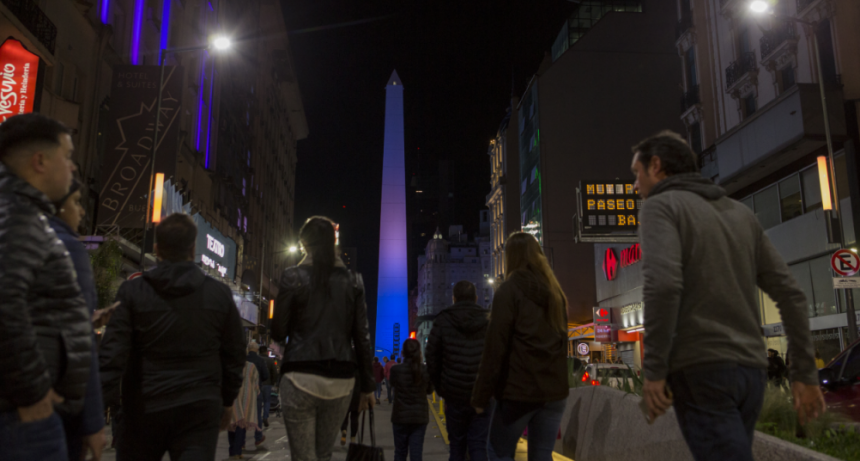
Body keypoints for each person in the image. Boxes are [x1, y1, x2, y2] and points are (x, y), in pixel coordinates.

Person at [632, 131, 825, 461]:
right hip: (751, 373)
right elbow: (791, 294)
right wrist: (804, 374)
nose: (635, 187)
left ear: (656, 165)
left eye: (636, 174)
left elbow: (663, 287)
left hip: (701, 369)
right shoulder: (740, 213)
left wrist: (654, 371)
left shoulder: (660, 207)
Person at [99, 213, 247, 460]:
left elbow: (111, 356)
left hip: (144, 408)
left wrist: (95, 415)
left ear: (156, 249)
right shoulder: (219, 295)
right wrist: (227, 400)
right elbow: (234, 354)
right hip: (198, 410)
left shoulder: (133, 292)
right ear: (193, 249)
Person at [0, 113, 91, 461]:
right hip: (22, 418)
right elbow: (4, 300)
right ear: (39, 161)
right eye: (66, 157)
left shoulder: (24, 213)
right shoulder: (17, 217)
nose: (72, 169)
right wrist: (33, 391)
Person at [271, 216, 375, 461]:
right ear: (333, 244)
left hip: (299, 376)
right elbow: (362, 338)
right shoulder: (353, 281)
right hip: (340, 380)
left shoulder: (292, 276)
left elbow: (278, 332)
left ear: (304, 244)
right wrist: (368, 387)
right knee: (324, 454)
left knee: (304, 456)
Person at [472, 232, 569, 461]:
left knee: (497, 451)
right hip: (554, 393)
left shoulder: (508, 291)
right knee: (542, 456)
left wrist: (480, 397)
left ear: (511, 258)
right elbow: (562, 345)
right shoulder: (556, 294)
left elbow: (495, 348)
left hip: (520, 391)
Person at [48, 178, 108, 460]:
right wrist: (93, 422)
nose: (82, 211)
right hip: (56, 402)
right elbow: (80, 343)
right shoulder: (69, 248)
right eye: (76, 202)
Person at [425, 280, 490, 461]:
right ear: (476, 298)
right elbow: (498, 355)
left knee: (457, 446)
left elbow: (431, 356)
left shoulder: (443, 320)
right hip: (482, 395)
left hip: (454, 395)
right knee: (479, 445)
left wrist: (441, 388)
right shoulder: (489, 320)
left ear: (453, 299)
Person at [390, 339, 433, 461]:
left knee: (399, 453)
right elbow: (429, 390)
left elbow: (392, 384)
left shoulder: (395, 370)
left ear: (402, 353)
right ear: (420, 353)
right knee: (416, 453)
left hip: (400, 417)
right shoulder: (425, 370)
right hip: (419, 417)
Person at [227, 356, 260, 460]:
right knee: (242, 423)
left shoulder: (230, 365)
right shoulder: (251, 366)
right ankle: (237, 451)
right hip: (247, 398)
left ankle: (232, 450)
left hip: (232, 395)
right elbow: (256, 383)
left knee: (232, 422)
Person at [246, 340, 270, 448]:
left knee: (243, 415)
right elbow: (265, 375)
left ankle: (241, 442)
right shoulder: (260, 360)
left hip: (245, 391)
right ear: (256, 349)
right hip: (256, 390)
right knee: (257, 415)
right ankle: (258, 437)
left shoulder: (244, 359)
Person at [259, 345, 279, 427]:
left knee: (258, 402)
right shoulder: (270, 361)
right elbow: (274, 373)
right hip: (267, 384)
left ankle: (258, 418)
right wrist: (273, 382)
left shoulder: (257, 360)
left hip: (258, 384)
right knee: (267, 401)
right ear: (266, 352)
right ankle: (265, 417)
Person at [340, 380, 361, 446]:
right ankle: (353, 438)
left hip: (345, 393)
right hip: (357, 395)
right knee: (355, 418)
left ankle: (344, 430)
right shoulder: (359, 370)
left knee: (344, 415)